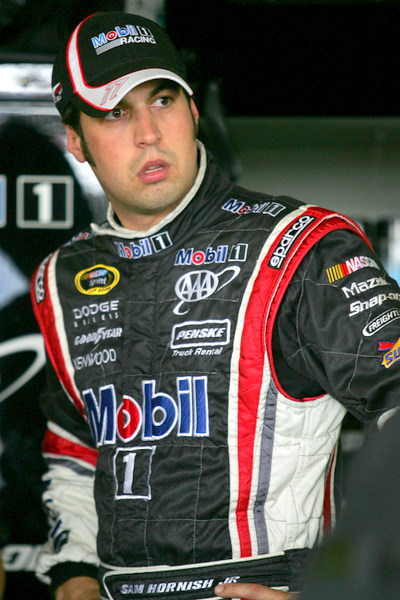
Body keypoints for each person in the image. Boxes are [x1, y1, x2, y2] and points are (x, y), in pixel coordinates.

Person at [30, 11, 400, 600]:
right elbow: (74, 443)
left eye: (163, 100)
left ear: (193, 111)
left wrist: (344, 592)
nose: (149, 133)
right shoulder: (61, 279)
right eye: (115, 112)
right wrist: (73, 574)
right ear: (75, 140)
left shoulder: (303, 247)